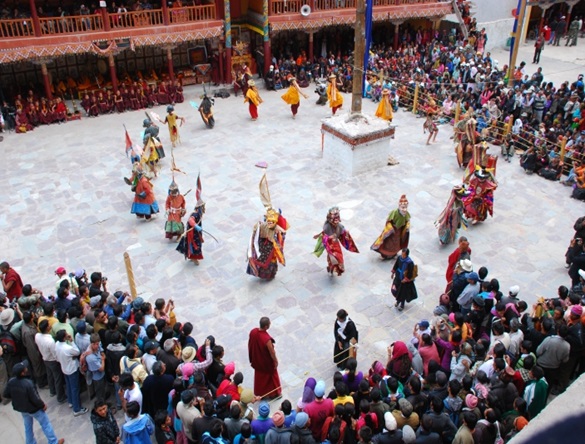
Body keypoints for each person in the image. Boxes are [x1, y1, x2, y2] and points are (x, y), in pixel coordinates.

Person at [3, 362, 65, 444]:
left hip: (23, 409)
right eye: (24, 368)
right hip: (34, 409)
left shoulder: (11, 381)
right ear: (22, 373)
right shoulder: (28, 383)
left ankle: (30, 442)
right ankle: (53, 442)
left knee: (28, 427)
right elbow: (35, 399)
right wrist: (42, 405)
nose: (26, 368)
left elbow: (6, 394)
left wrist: (17, 397)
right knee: (45, 424)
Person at [313, 206, 359, 276]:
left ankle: (337, 269)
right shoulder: (327, 227)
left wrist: (346, 233)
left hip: (336, 245)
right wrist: (330, 237)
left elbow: (343, 231)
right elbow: (324, 238)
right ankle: (330, 269)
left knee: (339, 259)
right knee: (332, 259)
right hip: (329, 246)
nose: (336, 223)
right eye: (334, 221)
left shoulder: (339, 226)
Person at [247, 207, 288, 280]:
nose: (270, 223)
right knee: (259, 258)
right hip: (263, 245)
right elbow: (256, 234)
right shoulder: (262, 226)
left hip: (271, 247)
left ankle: (270, 275)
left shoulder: (276, 227)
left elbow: (283, 231)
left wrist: (278, 232)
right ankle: (260, 273)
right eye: (269, 220)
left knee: (271, 261)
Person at [55, 329, 87, 416]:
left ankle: (71, 401)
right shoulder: (67, 348)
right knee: (75, 388)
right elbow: (77, 352)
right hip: (72, 369)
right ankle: (77, 409)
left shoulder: (57, 345)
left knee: (69, 386)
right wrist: (72, 341)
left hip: (64, 368)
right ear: (64, 337)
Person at [248, 317, 281, 398]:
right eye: (269, 324)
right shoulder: (267, 340)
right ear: (266, 326)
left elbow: (250, 344)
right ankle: (275, 394)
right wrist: (276, 361)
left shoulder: (253, 331)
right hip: (266, 363)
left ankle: (260, 392)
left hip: (257, 360)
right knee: (272, 376)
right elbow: (272, 352)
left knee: (260, 377)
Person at [371, 195, 410, 260]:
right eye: (403, 207)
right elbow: (388, 221)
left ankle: (393, 253)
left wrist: (407, 227)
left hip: (399, 232)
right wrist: (390, 229)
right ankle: (386, 254)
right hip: (392, 231)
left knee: (396, 244)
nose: (404, 209)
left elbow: (407, 220)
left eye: (406, 207)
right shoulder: (394, 212)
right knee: (388, 244)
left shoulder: (406, 214)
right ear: (399, 206)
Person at [177, 198, 205, 265]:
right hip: (193, 234)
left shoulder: (199, 214)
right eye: (203, 207)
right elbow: (190, 221)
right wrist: (196, 226)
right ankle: (194, 258)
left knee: (197, 244)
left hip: (196, 233)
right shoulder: (195, 214)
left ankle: (193, 257)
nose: (204, 208)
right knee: (195, 245)